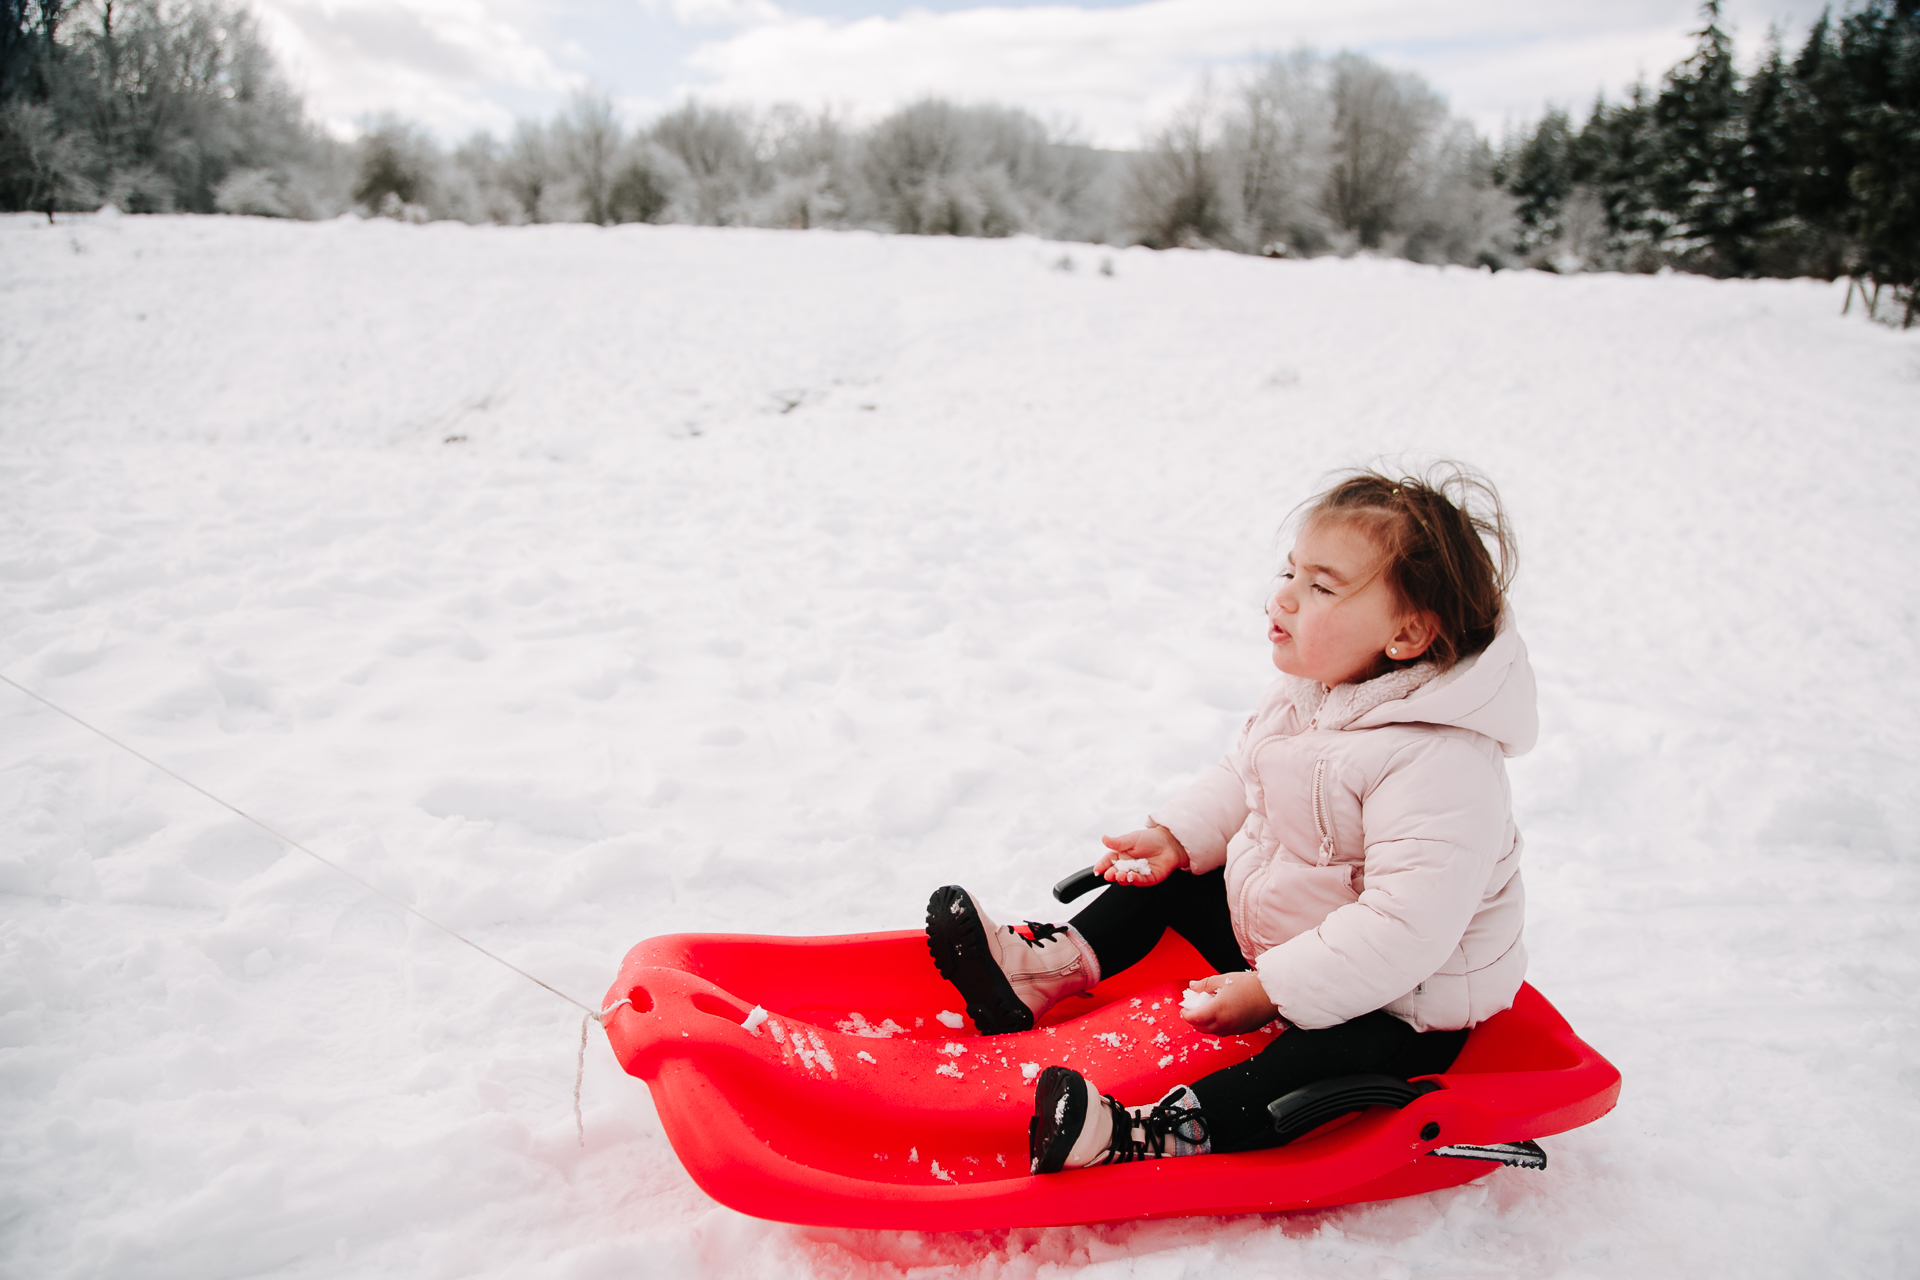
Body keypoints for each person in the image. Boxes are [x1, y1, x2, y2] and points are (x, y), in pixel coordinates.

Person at [925, 464, 1534, 1173]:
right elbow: (1245, 778)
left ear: (1407, 635)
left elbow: (1405, 929)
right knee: (1178, 878)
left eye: (1322, 587)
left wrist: (1271, 991)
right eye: (1290, 572)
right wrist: (1176, 837)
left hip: (1403, 996)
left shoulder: (1440, 765)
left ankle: (1151, 1133)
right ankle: (1038, 976)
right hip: (1296, 940)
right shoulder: (1309, 692)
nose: (1284, 596)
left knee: (1333, 1051)